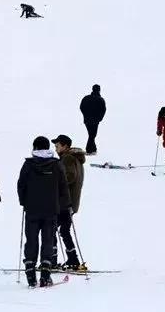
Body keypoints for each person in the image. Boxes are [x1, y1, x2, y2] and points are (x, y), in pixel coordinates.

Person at [17, 136, 69, 287]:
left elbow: (21, 185)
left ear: (35, 147)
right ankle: (45, 274)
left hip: (32, 209)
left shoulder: (28, 164)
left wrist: (24, 202)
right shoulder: (56, 164)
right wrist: (62, 204)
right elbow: (63, 186)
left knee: (31, 239)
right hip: (51, 210)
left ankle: (30, 271)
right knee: (48, 240)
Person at [51, 135, 86, 270]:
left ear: (65, 146)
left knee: (52, 229)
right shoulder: (75, 158)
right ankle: (72, 259)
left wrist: (55, 181)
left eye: (57, 146)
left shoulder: (67, 158)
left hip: (64, 203)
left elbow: (69, 176)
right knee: (64, 231)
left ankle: (52, 260)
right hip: (71, 202)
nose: (56, 148)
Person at [79, 84, 106, 155]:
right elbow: (103, 110)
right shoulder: (100, 99)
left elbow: (81, 107)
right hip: (95, 121)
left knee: (91, 135)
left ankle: (93, 149)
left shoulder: (86, 98)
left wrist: (85, 115)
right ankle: (89, 150)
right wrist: (99, 118)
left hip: (87, 120)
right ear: (99, 90)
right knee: (92, 135)